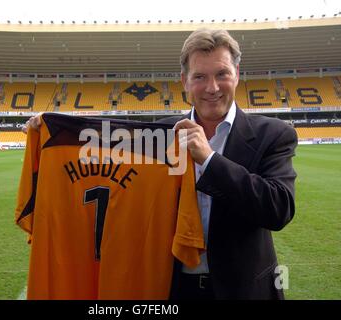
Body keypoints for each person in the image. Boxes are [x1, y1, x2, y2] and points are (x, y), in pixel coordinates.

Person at [22, 28, 297, 300]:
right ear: (185, 81)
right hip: (172, 289)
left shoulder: (273, 134)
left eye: (222, 74)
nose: (212, 88)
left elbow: (278, 208)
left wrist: (209, 159)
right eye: (200, 76)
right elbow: (100, 145)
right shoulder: (158, 136)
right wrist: (54, 129)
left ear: (237, 74)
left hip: (245, 291)